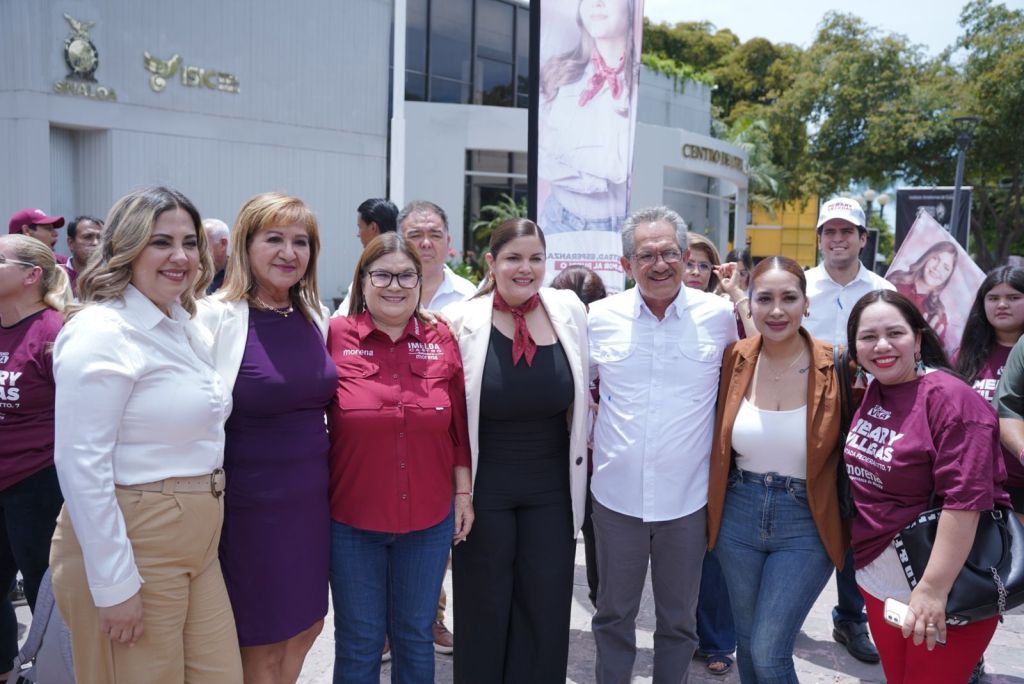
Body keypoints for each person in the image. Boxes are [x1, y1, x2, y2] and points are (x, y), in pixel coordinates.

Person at [49, 186, 242, 683]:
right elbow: (81, 463)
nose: (180, 256)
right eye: (161, 242)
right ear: (126, 248)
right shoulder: (103, 330)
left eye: (189, 242)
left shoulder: (183, 324)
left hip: (199, 539)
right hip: (136, 537)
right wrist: (114, 584)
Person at [589, 206, 737, 683]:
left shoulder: (719, 317)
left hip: (687, 501)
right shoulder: (599, 317)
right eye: (646, 255)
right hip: (615, 498)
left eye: (669, 253)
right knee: (613, 614)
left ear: (686, 256)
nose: (659, 264)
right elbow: (579, 392)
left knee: (678, 621)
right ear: (626, 264)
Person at [197, 193, 334, 683]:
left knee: (308, 626)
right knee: (258, 638)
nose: (288, 253)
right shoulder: (211, 317)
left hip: (311, 504)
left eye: (301, 242)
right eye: (274, 239)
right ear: (245, 245)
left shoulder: (315, 314)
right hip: (249, 510)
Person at [445, 219, 589, 683]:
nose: (525, 268)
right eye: (513, 258)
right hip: (485, 489)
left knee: (545, 608)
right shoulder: (461, 320)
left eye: (535, 258)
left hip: (552, 488)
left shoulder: (568, 309)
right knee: (483, 608)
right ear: (491, 263)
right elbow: (451, 418)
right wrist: (459, 492)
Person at [328, 233, 473, 683]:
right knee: (360, 641)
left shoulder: (441, 337)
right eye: (383, 275)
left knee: (414, 636)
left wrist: (463, 494)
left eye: (406, 275)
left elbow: (458, 428)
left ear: (419, 281)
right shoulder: (334, 336)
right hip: (353, 521)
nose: (395, 286)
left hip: (428, 521)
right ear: (363, 281)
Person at [845, 289, 1009, 684]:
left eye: (894, 333)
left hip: (946, 586)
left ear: (917, 339)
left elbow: (965, 502)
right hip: (877, 577)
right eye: (868, 337)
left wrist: (933, 589)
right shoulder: (875, 388)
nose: (881, 346)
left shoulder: (953, 401)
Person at [707, 256, 850, 682]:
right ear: (749, 304)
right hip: (738, 514)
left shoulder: (838, 364)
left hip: (806, 519)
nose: (776, 310)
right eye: (764, 299)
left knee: (770, 652)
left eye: (788, 298)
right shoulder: (736, 357)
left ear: (806, 303)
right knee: (748, 644)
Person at [804, 196, 891, 665]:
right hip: (802, 416)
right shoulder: (798, 286)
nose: (838, 240)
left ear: (862, 238)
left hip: (866, 415)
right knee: (800, 509)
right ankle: (784, 610)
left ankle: (851, 617)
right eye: (830, 232)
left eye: (847, 231)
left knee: (856, 518)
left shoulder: (883, 290)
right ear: (820, 239)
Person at [0, 235, 69, 683]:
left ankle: (48, 673)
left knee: (48, 592)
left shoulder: (54, 333)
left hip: (38, 481)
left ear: (31, 275)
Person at [956, 266, 1024, 683]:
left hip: (1021, 486)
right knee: (981, 582)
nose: (1002, 305)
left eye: (1013, 297)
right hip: (979, 488)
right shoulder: (967, 353)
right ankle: (970, 660)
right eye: (993, 297)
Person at [678, 233, 738, 676]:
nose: (695, 272)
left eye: (704, 265)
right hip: (672, 445)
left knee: (713, 548)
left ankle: (716, 639)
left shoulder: (726, 315)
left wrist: (738, 297)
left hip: (721, 445)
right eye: (689, 263)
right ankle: (678, 633)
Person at [538, 0, 636, 234]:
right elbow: (542, 157)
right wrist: (597, 180)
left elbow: (620, 166)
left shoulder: (637, 83)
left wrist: (561, 148)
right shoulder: (558, 72)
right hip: (557, 219)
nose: (596, 3)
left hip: (619, 229)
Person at [549, 264, 607, 607]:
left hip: (601, 466)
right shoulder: (544, 337)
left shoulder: (610, 340)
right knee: (553, 552)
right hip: (557, 464)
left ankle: (602, 605)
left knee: (601, 548)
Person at [887, 240, 958, 344]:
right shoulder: (896, 280)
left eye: (946, 267)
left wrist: (928, 343)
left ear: (948, 277)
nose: (937, 268)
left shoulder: (938, 315)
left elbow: (937, 352)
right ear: (927, 257)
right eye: (935, 258)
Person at [717, 246, 757, 338]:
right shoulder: (718, 292)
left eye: (742, 273)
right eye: (733, 272)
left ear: (750, 271)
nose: (737, 278)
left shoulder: (757, 294)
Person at [63, 215, 102, 294]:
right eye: (88, 237)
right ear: (71, 243)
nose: (96, 243)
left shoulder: (113, 278)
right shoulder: (55, 277)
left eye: (100, 238)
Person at [203, 218, 231, 294]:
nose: (197, 251)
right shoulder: (190, 275)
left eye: (202, 245)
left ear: (223, 244)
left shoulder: (241, 278)